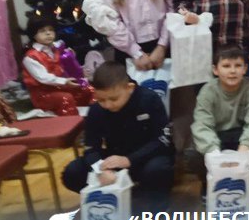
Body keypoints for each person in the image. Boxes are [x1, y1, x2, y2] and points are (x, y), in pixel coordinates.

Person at [61, 62, 174, 202]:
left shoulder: (149, 99)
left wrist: (129, 160)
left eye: (114, 99)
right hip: (113, 159)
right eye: (101, 100)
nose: (108, 105)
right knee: (73, 172)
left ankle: (153, 207)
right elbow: (91, 147)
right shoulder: (96, 110)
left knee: (158, 170)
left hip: (146, 157)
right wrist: (100, 169)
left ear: (130, 88)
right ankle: (108, 198)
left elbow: (162, 140)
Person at [190, 45, 249, 197]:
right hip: (217, 136)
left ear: (245, 68)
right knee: (193, 152)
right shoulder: (207, 91)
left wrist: (246, 147)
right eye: (226, 66)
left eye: (238, 66)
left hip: (242, 135)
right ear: (215, 70)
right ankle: (209, 183)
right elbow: (202, 124)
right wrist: (213, 152)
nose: (232, 71)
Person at [22, 15, 94, 116]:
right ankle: (72, 123)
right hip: (44, 94)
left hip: (62, 86)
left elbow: (68, 67)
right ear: (33, 34)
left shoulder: (58, 48)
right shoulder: (31, 57)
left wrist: (79, 71)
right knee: (66, 98)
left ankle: (96, 117)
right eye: (42, 31)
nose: (48, 33)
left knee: (89, 90)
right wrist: (64, 81)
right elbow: (43, 78)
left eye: (51, 30)